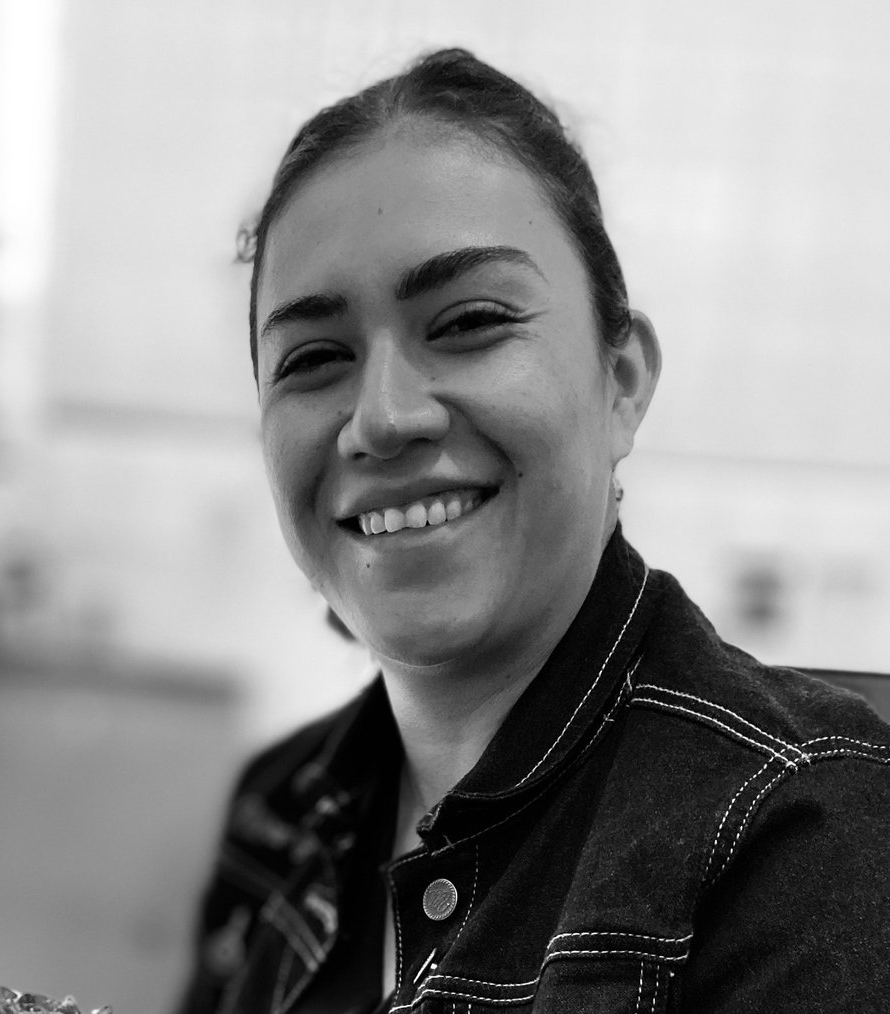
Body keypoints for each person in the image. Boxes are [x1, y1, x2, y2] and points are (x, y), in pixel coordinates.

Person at [177, 48, 890, 1013]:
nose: (383, 418)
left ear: (621, 382)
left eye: (468, 321)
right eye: (312, 358)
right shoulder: (276, 813)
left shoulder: (809, 832)